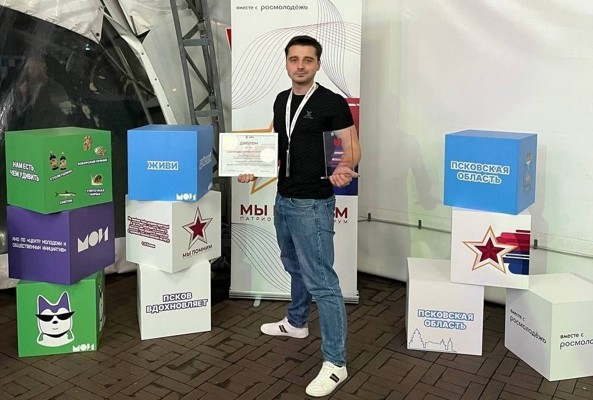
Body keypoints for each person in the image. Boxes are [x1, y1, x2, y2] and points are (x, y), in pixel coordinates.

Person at [238, 35, 361, 397]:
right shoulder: (281, 99)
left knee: (323, 282)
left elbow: (351, 148)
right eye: (294, 59)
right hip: (284, 198)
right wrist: (252, 166)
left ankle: (336, 363)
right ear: (287, 63)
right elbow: (279, 144)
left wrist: (345, 167)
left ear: (318, 64)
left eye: (308, 59)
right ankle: (296, 322)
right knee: (293, 264)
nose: (301, 65)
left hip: (313, 204)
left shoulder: (332, 102)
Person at [10, 54, 72, 130]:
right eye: (29, 69)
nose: (31, 72)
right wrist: (24, 96)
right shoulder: (23, 88)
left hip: (47, 133)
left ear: (44, 69)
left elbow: (62, 117)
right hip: (27, 133)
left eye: (34, 69)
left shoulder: (56, 90)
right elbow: (18, 114)